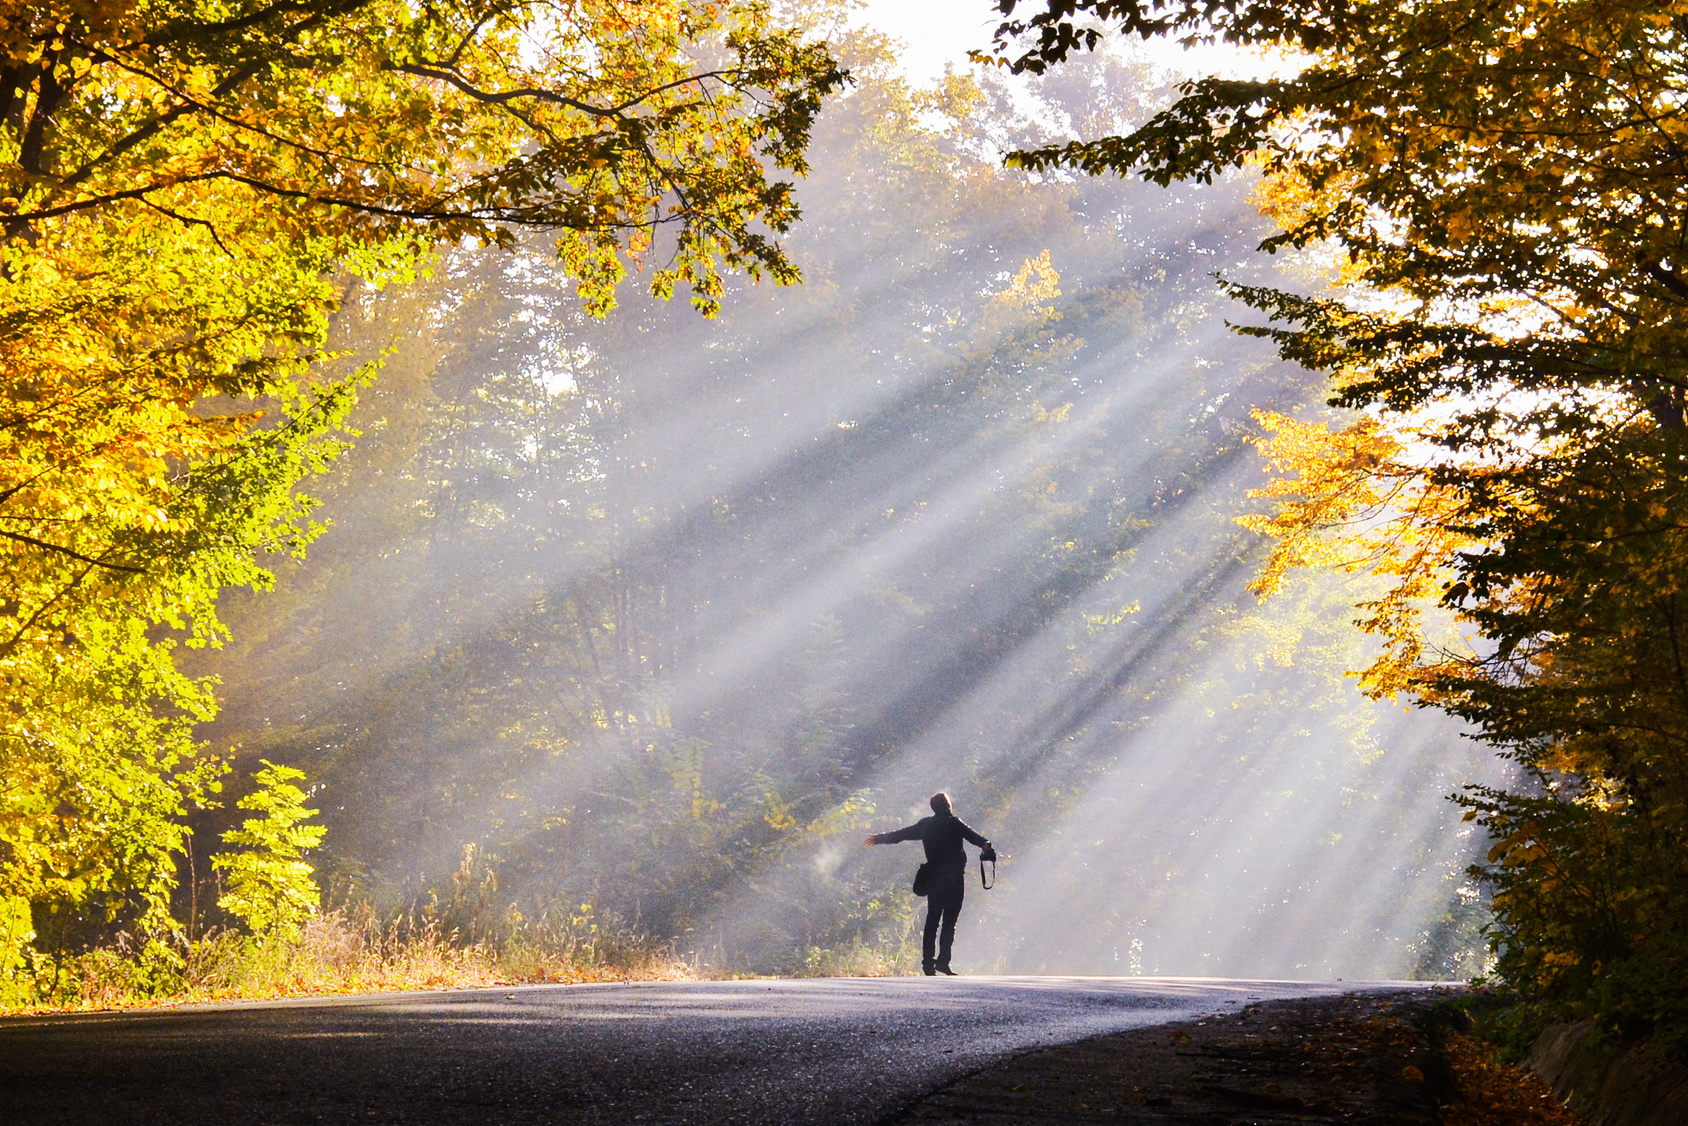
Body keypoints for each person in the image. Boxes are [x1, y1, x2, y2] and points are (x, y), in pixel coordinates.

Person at [863, 792, 995, 976]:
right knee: (949, 922)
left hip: (934, 879)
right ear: (948, 806)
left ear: (934, 808)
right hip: (955, 879)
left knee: (932, 920)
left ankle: (927, 964)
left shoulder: (926, 825)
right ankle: (943, 962)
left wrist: (878, 838)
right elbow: (975, 837)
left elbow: (901, 834)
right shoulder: (955, 823)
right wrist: (986, 845)